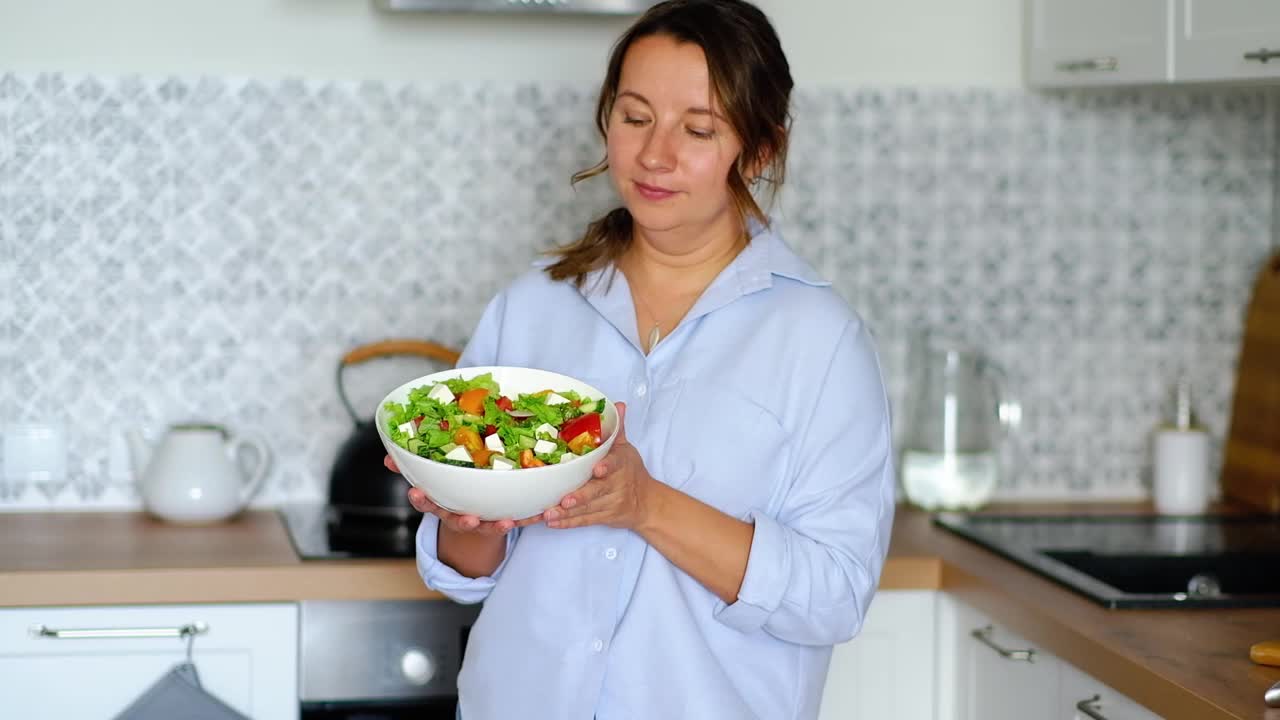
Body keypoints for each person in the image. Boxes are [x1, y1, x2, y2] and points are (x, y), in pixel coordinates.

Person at [386, 1, 896, 717]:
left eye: (697, 129)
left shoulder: (818, 339)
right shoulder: (533, 307)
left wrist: (645, 504)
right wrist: (467, 517)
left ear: (759, 151)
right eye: (634, 117)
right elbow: (467, 575)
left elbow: (835, 597)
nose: (655, 155)